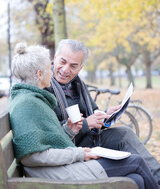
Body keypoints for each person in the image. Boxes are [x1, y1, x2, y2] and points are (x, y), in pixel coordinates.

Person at [8, 42, 159, 189]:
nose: (59, 70)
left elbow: (51, 134)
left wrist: (104, 116)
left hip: (70, 152)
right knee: (135, 161)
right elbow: (35, 153)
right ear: (42, 72)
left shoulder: (62, 89)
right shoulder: (34, 99)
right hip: (68, 158)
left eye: (73, 65)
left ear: (80, 68)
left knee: (135, 176)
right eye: (52, 66)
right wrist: (81, 141)